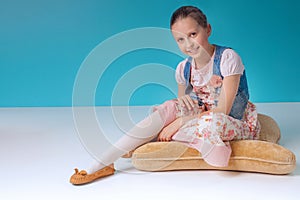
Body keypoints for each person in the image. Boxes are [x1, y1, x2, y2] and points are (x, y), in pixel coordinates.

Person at [70, 5, 261, 185]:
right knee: (170, 107)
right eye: (180, 39)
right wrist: (181, 113)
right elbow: (184, 104)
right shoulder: (184, 68)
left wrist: (180, 122)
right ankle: (102, 164)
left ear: (208, 29)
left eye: (193, 34)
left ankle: (150, 138)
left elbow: (222, 110)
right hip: (199, 116)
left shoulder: (227, 58)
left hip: (230, 120)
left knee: (211, 123)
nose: (188, 44)